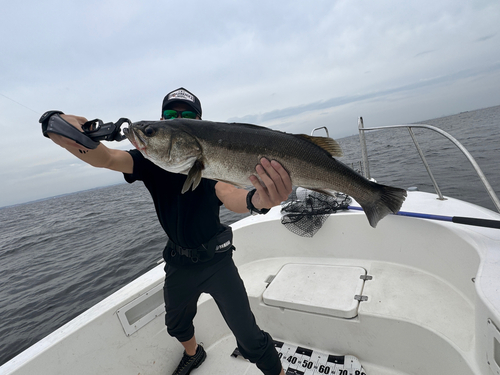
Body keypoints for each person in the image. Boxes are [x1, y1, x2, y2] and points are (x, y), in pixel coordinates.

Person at [43, 87, 291, 375]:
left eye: (187, 115)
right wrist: (58, 127)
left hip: (217, 261)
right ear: (164, 121)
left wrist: (256, 201)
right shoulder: (149, 162)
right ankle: (193, 353)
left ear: (199, 123)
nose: (178, 118)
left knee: (249, 336)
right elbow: (107, 158)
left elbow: (230, 193)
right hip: (178, 263)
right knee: (176, 323)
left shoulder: (210, 163)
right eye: (171, 115)